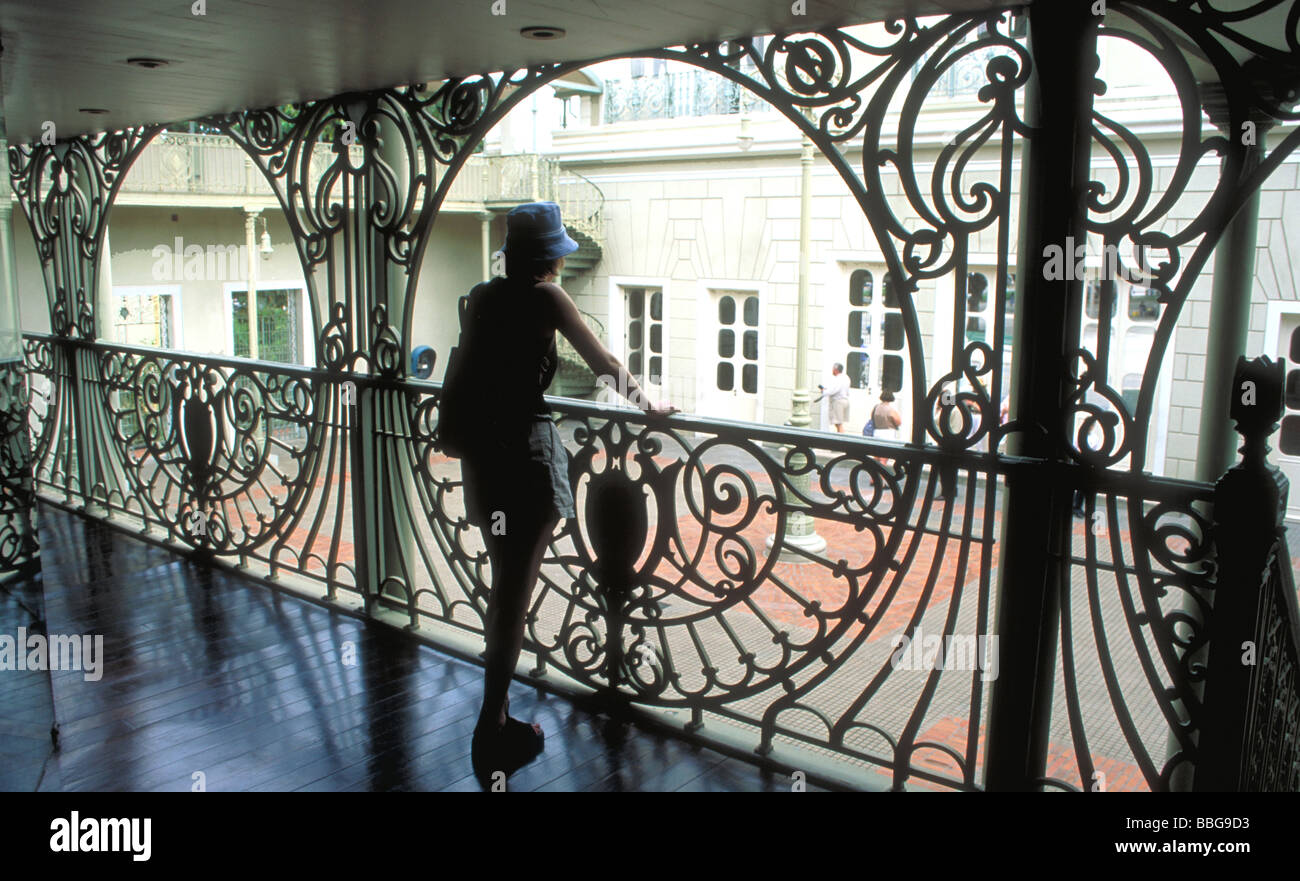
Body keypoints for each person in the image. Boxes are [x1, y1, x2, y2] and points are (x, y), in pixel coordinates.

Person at [458, 202, 676, 782]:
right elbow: (602, 361)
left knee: (503, 589)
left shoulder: (482, 297)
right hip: (524, 458)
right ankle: (489, 729)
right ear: (552, 255)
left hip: (484, 457)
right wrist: (648, 403)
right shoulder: (547, 298)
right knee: (513, 598)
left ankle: (496, 718)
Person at [815, 363, 851, 432]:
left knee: (838, 424)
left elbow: (834, 390)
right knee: (839, 423)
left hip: (838, 402)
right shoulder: (846, 377)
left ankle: (841, 440)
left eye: (833, 369)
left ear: (835, 370)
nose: (832, 370)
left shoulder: (838, 379)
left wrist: (824, 391)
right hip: (845, 401)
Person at [870, 390, 902, 464]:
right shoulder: (891, 409)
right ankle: (882, 475)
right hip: (888, 434)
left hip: (876, 432)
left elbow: (872, 418)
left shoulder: (876, 407)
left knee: (876, 458)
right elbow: (898, 422)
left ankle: (873, 474)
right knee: (884, 458)